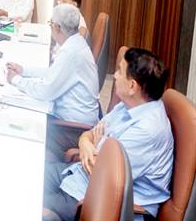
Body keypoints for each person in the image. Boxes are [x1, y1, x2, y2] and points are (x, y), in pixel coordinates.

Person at [42, 48, 173, 221]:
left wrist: (94, 145)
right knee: (27, 171)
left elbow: (105, 174)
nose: (115, 76)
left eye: (120, 71)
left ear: (132, 86)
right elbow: (90, 135)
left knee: (25, 201)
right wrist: (86, 143)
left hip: (96, 199)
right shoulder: (128, 105)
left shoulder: (148, 130)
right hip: (78, 175)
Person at [6, 4, 99, 154]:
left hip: (74, 129)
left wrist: (16, 80)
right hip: (74, 120)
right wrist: (24, 71)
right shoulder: (76, 42)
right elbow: (53, 73)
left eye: (50, 23)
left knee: (21, 130)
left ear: (56, 27)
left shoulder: (70, 52)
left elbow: (45, 92)